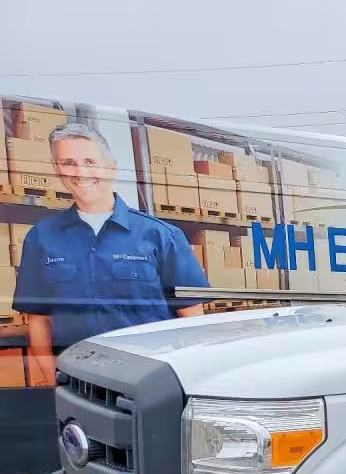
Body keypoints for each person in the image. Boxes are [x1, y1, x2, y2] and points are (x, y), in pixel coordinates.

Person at [13, 122, 209, 384]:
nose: (81, 171)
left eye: (90, 161)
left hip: (147, 381)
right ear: (57, 169)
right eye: (68, 162)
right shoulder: (41, 237)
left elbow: (192, 318)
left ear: (111, 166)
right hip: (75, 381)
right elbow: (39, 319)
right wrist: (52, 379)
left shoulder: (161, 235)